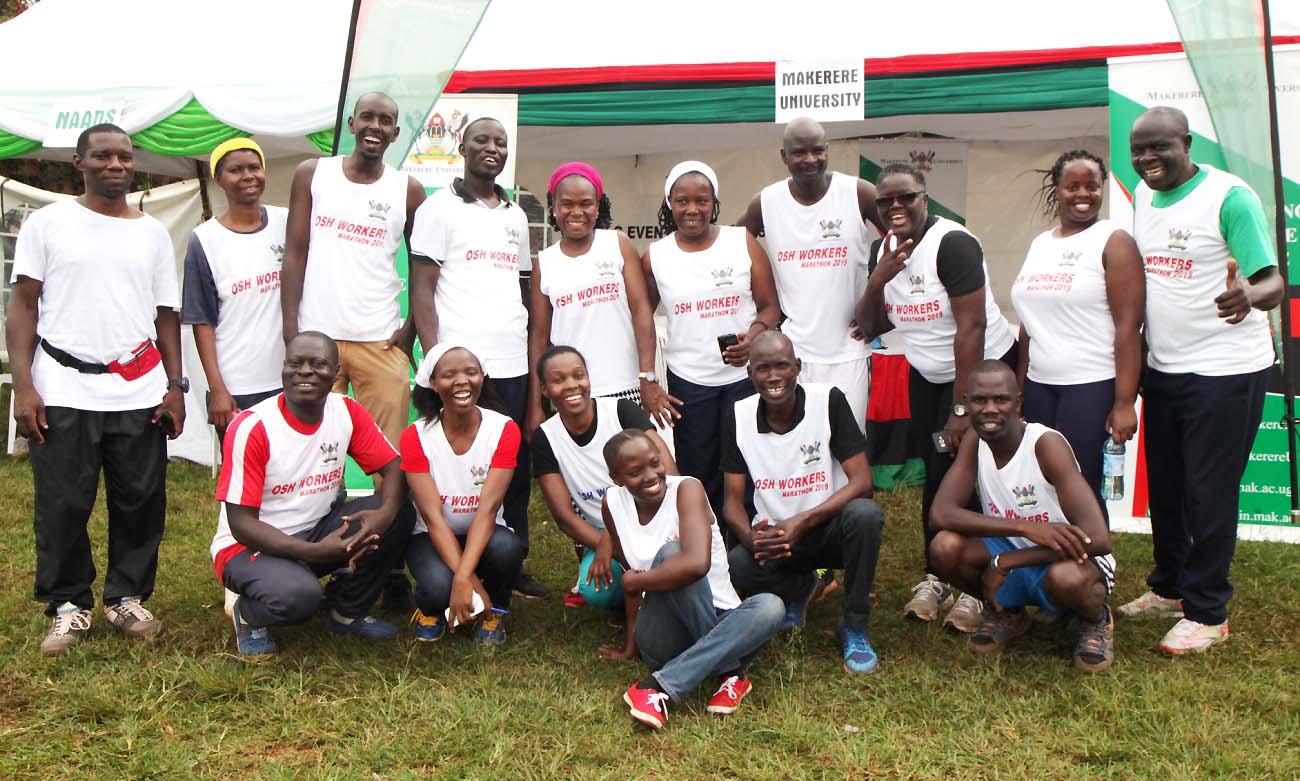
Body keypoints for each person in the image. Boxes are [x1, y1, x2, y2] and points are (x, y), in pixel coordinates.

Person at [7, 124, 187, 656]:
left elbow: (166, 315)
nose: (116, 165)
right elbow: (23, 305)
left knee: (141, 501)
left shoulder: (152, 233)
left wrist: (175, 386)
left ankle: (126, 595)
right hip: (62, 384)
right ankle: (68, 604)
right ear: (79, 163)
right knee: (63, 503)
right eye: (103, 156)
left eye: (124, 158)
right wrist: (24, 386)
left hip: (138, 389)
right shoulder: (49, 223)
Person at [1118, 107, 1283, 654]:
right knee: (1166, 486)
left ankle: (1208, 611)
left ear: (1186, 143)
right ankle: (1168, 587)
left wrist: (1248, 298)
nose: (1147, 159)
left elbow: (1274, 281)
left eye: (1159, 148)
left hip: (1227, 371)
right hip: (1166, 367)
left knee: (1208, 492)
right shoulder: (1143, 195)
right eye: (1139, 150)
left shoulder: (1229, 197)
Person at [855, 162, 1017, 633]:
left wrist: (963, 407)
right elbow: (869, 326)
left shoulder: (953, 244)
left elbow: (973, 326)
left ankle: (979, 588)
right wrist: (878, 278)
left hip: (982, 374)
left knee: (979, 474)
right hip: (926, 374)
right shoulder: (880, 250)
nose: (896, 207)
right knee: (937, 468)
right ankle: (939, 573)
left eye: (906, 197)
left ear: (925, 199)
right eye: (886, 201)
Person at [408, 117, 549, 600]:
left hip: (508, 362)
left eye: (500, 143)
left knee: (514, 466)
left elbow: (525, 288)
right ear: (461, 147)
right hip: (460, 369)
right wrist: (435, 362)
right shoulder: (436, 209)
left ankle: (511, 561)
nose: (492, 148)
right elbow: (422, 290)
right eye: (482, 141)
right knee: (449, 463)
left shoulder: (514, 215)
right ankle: (444, 553)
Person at [214, 332, 416, 655]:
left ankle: (346, 613)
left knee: (399, 511)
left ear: (336, 372)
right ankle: (249, 615)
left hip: (316, 531)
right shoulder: (253, 427)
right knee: (301, 597)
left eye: (318, 364)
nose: (305, 372)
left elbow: (393, 467)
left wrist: (384, 515)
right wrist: (315, 553)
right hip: (247, 546)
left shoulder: (345, 411)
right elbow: (240, 524)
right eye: (295, 364)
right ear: (282, 371)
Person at [929, 361, 1116, 672]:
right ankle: (1008, 613)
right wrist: (1024, 527)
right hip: (1016, 546)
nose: (990, 409)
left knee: (1067, 579)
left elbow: (1097, 540)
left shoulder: (1045, 445)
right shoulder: (975, 441)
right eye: (979, 400)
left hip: (1067, 557)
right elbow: (941, 513)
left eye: (1000, 400)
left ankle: (1094, 620)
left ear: (1018, 403)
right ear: (966, 402)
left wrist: (1005, 561)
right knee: (944, 547)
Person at [721, 331, 885, 674]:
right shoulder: (738, 415)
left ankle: (854, 625)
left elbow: (862, 482)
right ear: (750, 374)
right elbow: (732, 503)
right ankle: (802, 586)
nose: (774, 377)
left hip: (828, 528)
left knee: (865, 515)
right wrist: (752, 539)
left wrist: (805, 521)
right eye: (763, 368)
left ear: (797, 367)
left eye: (782, 366)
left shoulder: (828, 401)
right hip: (780, 540)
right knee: (738, 563)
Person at [597, 430, 785, 729]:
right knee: (674, 555)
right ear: (616, 478)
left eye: (654, 463)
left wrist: (638, 583)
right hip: (664, 630)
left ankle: (658, 687)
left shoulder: (687, 489)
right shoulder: (612, 503)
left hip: (719, 614)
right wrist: (630, 648)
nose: (650, 475)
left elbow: (696, 564)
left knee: (771, 607)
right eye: (635, 472)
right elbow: (631, 574)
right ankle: (729, 673)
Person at [280, 92, 426, 448]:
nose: (375, 127)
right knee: (312, 448)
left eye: (386, 121)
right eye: (367, 117)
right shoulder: (313, 175)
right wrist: (289, 331)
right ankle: (323, 505)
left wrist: (411, 329)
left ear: (395, 134)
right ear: (351, 124)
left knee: (387, 450)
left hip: (381, 338)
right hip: (316, 336)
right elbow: (295, 253)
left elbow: (423, 267)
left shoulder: (407, 190)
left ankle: (388, 505)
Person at [642, 161, 781, 516]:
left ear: (714, 202)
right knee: (698, 472)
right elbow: (639, 319)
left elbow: (769, 308)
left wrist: (752, 338)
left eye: (702, 201)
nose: (692, 209)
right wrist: (648, 381)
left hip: (744, 379)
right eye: (682, 201)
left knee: (750, 466)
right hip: (688, 383)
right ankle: (707, 549)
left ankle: (752, 548)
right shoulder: (656, 256)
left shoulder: (742, 242)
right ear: (668, 203)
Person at [1011, 150, 1144, 514]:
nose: (1083, 195)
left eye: (1092, 186)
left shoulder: (1113, 241)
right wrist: (1020, 386)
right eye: (1072, 186)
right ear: (1057, 189)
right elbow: (1029, 322)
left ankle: (1095, 565)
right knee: (1041, 479)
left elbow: (1129, 327)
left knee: (1080, 484)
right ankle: (1051, 560)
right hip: (1040, 385)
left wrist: (1123, 403)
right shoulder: (1042, 243)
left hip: (1091, 384)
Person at [736, 117, 884, 428]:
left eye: (818, 150)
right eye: (799, 152)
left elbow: (902, 247)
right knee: (804, 447)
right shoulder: (766, 202)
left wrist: (882, 313)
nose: (810, 159)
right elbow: (730, 249)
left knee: (849, 446)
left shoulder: (858, 193)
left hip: (849, 351)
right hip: (792, 354)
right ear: (783, 156)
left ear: (828, 150)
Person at [532, 345, 677, 613]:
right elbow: (565, 518)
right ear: (544, 390)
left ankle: (655, 596)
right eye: (558, 380)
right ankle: (634, 598)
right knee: (595, 591)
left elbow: (669, 474)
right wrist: (606, 543)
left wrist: (623, 541)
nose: (571, 385)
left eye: (578, 375)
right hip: (599, 532)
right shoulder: (545, 438)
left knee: (668, 562)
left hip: (649, 519)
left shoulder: (621, 411)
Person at [526, 162, 669, 432]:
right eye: (567, 204)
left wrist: (647, 377)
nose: (576, 212)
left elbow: (641, 312)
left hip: (625, 385)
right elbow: (539, 338)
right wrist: (536, 405)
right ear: (553, 208)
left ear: (598, 207)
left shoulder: (617, 244)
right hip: (571, 392)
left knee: (631, 467)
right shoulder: (545, 263)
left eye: (586, 203)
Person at [399, 344, 525, 645]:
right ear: (433, 382)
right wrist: (464, 579)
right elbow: (432, 517)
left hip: (484, 530)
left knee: (508, 549)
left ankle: (493, 608)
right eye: (449, 374)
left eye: (471, 372)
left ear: (483, 376)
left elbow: (488, 509)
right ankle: (432, 609)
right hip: (432, 535)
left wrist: (463, 577)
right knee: (435, 587)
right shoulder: (415, 436)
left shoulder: (504, 429)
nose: (462, 381)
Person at [183, 138, 287, 445]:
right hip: (238, 383)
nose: (248, 176)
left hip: (290, 378)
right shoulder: (204, 240)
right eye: (236, 170)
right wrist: (218, 390)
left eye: (254, 167)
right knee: (245, 481)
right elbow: (202, 321)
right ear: (218, 179)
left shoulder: (286, 221)